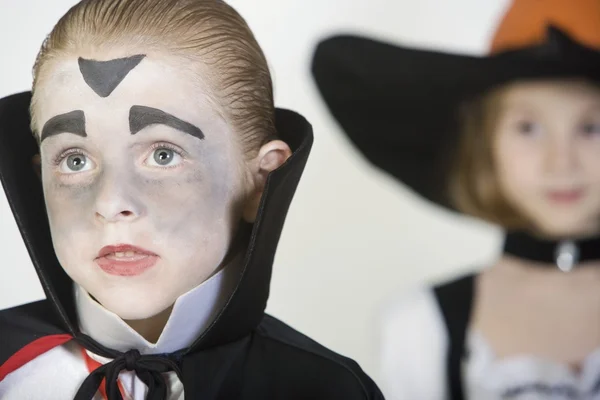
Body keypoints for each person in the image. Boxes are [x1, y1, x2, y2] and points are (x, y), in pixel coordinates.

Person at [0, 1, 384, 399]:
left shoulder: (322, 390)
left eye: (163, 155)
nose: (112, 204)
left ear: (261, 182)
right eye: (75, 160)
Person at [311, 0, 600, 399]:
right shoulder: (422, 326)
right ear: (486, 144)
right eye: (528, 128)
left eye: (591, 127)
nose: (561, 161)